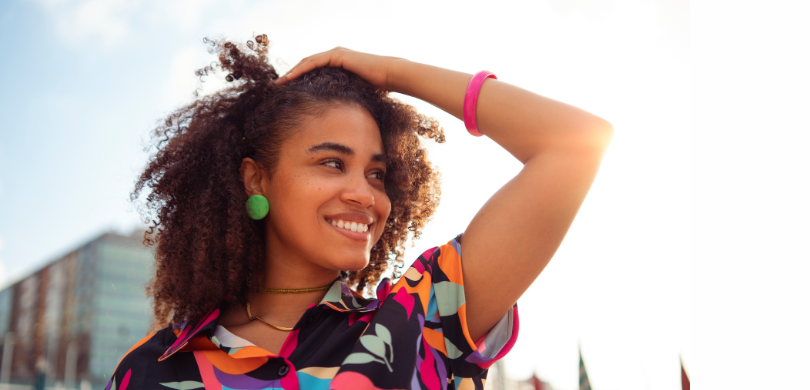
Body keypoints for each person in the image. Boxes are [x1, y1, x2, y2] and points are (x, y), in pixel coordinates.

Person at [108, 34, 612, 390]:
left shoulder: (425, 317)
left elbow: (575, 144)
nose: (365, 195)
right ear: (256, 180)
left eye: (376, 174)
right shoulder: (149, 370)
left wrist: (391, 73)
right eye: (332, 163)